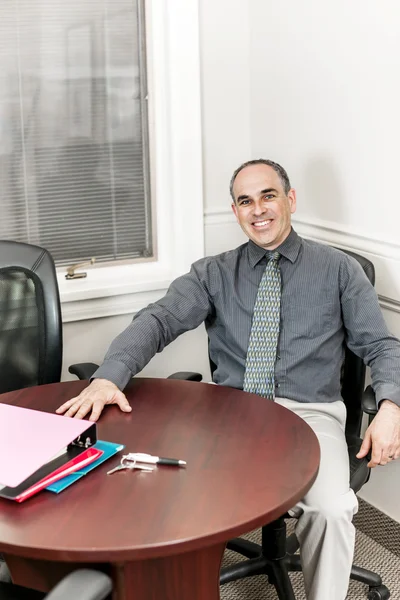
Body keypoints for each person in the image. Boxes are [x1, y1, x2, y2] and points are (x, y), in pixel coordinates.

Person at [57, 159, 400, 600]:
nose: (258, 209)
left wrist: (390, 406)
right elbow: (158, 320)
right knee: (166, 490)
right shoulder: (213, 273)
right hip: (230, 415)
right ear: (235, 211)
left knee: (333, 509)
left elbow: (382, 345)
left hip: (311, 414)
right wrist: (109, 377)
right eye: (245, 201)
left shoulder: (338, 270)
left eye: (268, 195)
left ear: (290, 200)